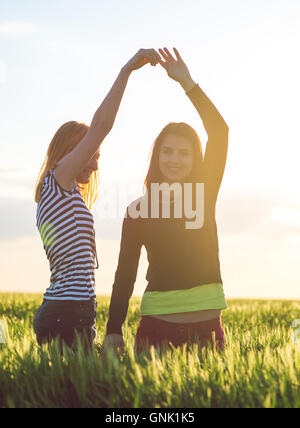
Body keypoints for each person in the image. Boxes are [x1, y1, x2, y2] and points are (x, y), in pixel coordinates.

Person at [33, 48, 161, 350]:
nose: (95, 163)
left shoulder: (64, 192)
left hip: (73, 311)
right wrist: (127, 70)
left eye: (98, 157)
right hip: (66, 312)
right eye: (90, 154)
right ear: (67, 153)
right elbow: (101, 126)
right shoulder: (58, 178)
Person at [104, 47, 229, 353]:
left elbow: (220, 132)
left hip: (207, 329)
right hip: (156, 329)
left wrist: (188, 83)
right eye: (168, 151)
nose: (175, 159)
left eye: (184, 153)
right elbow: (125, 274)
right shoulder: (137, 211)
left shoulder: (205, 191)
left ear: (195, 158)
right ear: (157, 156)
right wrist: (113, 330)